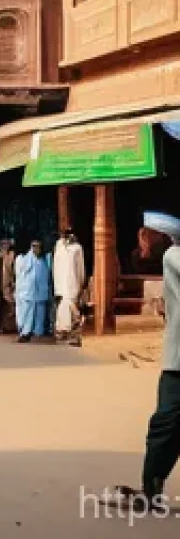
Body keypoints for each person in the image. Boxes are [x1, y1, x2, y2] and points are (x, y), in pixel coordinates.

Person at [118, 212, 180, 506]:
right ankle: (151, 488)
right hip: (177, 359)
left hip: (177, 363)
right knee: (168, 426)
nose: (141, 244)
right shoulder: (173, 257)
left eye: (146, 236)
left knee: (165, 423)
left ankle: (150, 490)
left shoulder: (172, 254)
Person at [53, 227, 86, 347]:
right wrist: (56, 283)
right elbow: (55, 265)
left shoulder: (77, 248)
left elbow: (80, 267)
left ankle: (73, 332)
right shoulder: (59, 246)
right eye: (66, 234)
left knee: (71, 306)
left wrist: (81, 282)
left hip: (73, 282)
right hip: (61, 283)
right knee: (63, 308)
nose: (68, 237)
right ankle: (63, 331)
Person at [14, 239, 51, 342]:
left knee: (33, 316)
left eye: (38, 246)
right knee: (22, 315)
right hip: (24, 292)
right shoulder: (24, 259)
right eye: (33, 246)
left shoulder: (43, 262)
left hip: (36, 294)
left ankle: (27, 334)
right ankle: (24, 332)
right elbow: (21, 273)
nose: (36, 248)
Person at [0, 238, 16, 335]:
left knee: (8, 306)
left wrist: (13, 282)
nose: (4, 246)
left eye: (6, 244)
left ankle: (8, 326)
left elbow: (13, 269)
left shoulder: (11, 255)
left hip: (7, 284)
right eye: (3, 244)